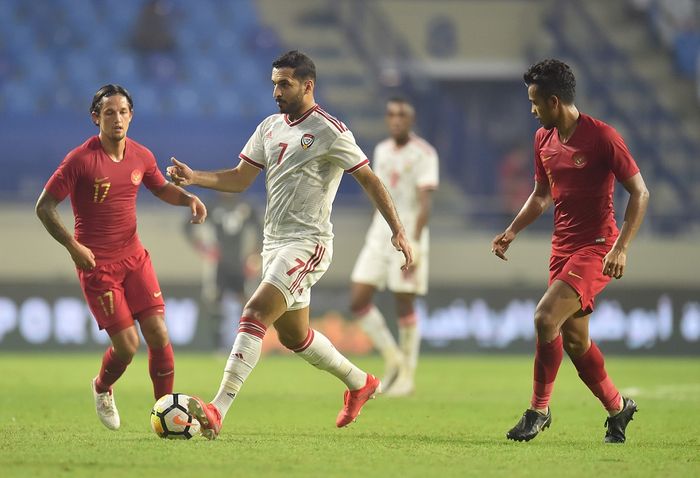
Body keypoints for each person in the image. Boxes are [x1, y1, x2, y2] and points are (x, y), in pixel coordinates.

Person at [167, 50, 412, 439]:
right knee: (295, 336)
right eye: (274, 84)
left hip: (308, 242)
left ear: (307, 85)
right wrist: (194, 176)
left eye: (284, 84)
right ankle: (360, 383)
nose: (276, 92)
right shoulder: (269, 127)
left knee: (254, 310)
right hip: (273, 244)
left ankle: (218, 408)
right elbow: (239, 178)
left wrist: (397, 229)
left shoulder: (331, 130)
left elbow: (370, 179)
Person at [491, 59, 649, 443]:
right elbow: (542, 195)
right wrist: (512, 230)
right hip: (561, 248)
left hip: (597, 248)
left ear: (555, 101)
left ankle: (539, 410)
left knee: (546, 318)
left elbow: (640, 192)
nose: (532, 110)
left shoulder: (603, 137)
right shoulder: (543, 140)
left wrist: (621, 248)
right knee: (576, 341)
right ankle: (618, 408)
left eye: (535, 102)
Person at [35, 84, 207, 431]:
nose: (117, 118)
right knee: (127, 346)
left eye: (123, 112)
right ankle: (102, 387)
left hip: (135, 258)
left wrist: (189, 198)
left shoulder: (141, 156)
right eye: (109, 112)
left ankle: (167, 413)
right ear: (95, 117)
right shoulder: (80, 160)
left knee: (158, 333)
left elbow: (160, 187)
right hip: (97, 265)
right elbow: (44, 207)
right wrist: (72, 245)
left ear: (131, 116)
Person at [349, 97, 438, 397]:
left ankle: (407, 377)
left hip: (409, 233)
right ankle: (394, 359)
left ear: (411, 119)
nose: (396, 119)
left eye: (402, 114)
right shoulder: (382, 150)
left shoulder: (425, 154)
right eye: (391, 115)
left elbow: (425, 205)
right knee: (358, 298)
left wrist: (415, 242)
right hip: (379, 232)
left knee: (404, 301)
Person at [184, 193, 261, 350]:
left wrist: (255, 255)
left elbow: (262, 231)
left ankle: (246, 345)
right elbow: (187, 226)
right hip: (219, 265)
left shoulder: (246, 207)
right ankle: (218, 346)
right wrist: (203, 248)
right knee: (216, 302)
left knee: (247, 303)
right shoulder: (211, 206)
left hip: (240, 263)